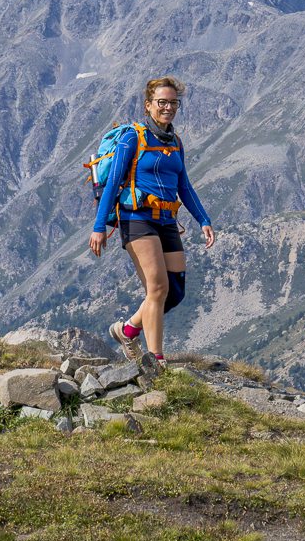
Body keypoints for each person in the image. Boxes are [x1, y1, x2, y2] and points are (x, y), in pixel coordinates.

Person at [91, 75, 216, 374]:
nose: (168, 108)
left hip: (166, 220)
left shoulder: (175, 142)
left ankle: (129, 330)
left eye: (173, 103)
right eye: (162, 102)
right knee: (157, 287)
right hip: (136, 219)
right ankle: (156, 361)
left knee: (175, 292)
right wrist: (98, 226)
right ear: (149, 105)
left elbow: (183, 184)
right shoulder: (132, 138)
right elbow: (111, 187)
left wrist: (203, 219)